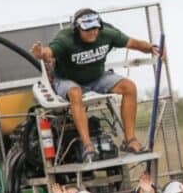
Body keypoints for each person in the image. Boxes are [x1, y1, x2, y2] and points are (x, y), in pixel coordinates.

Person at [30, 8, 164, 161]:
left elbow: (132, 43)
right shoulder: (66, 38)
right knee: (75, 93)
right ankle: (88, 146)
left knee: (129, 87)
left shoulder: (107, 33)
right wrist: (41, 53)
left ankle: (130, 140)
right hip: (68, 80)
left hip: (97, 78)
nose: (93, 32)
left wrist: (151, 48)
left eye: (95, 28)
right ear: (77, 29)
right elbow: (48, 52)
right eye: (87, 29)